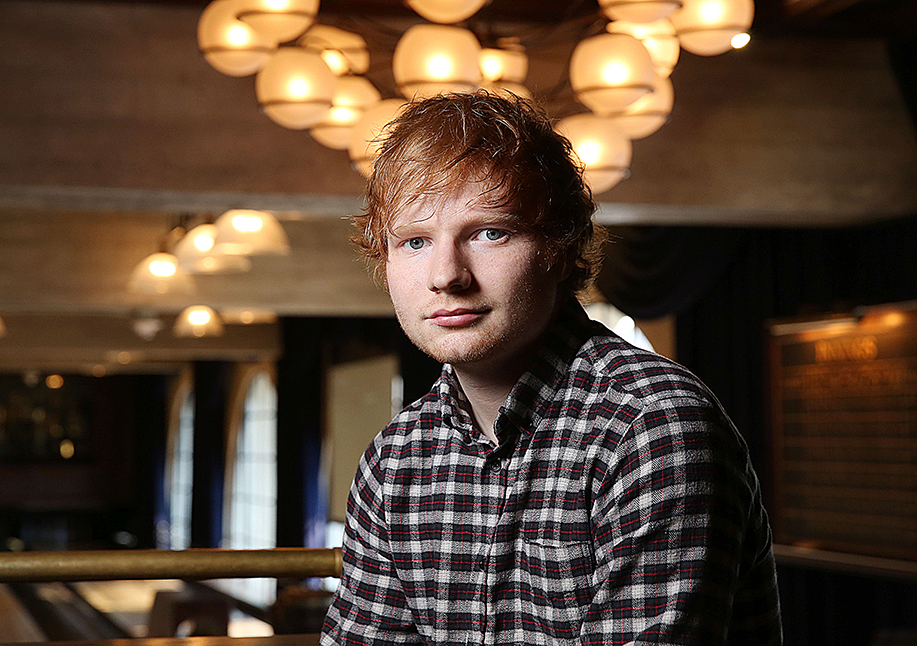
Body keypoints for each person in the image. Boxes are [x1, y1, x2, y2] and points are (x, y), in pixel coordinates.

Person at [320, 91, 782, 645]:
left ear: (560, 249)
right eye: (414, 241)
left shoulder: (652, 427)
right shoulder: (395, 457)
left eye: (490, 232)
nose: (445, 275)